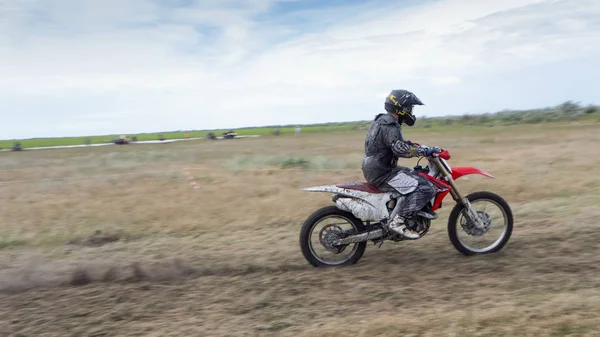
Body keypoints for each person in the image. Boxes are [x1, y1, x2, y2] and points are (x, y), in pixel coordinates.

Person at [362, 89, 441, 239]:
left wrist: (416, 146)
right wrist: (424, 151)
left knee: (414, 175)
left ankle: (397, 211)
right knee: (426, 187)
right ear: (402, 108)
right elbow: (399, 149)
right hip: (383, 172)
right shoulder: (390, 125)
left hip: (377, 168)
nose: (411, 111)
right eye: (409, 108)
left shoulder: (380, 121)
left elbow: (394, 144)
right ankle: (398, 221)